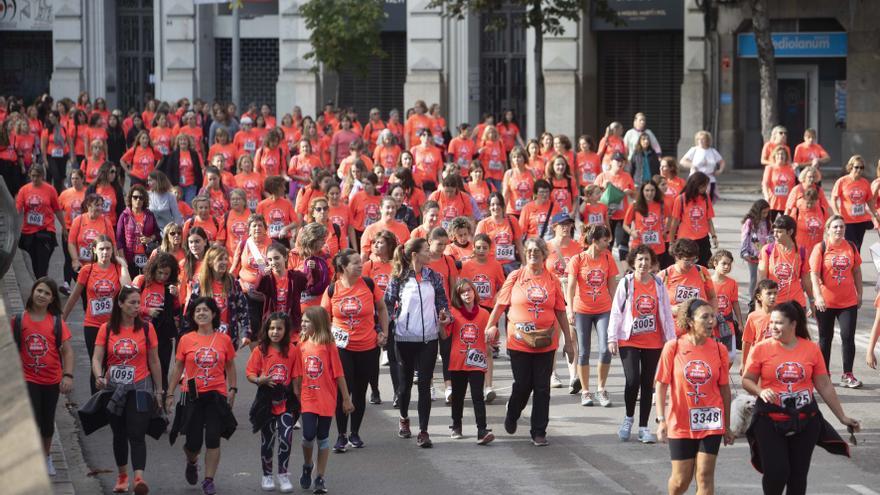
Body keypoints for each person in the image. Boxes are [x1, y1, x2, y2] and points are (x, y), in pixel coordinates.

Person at [742, 301, 860, 495]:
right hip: (769, 420)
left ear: (793, 324)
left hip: (805, 420)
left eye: (778, 323)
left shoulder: (811, 349)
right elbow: (747, 380)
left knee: (798, 477)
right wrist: (760, 391)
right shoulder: (761, 349)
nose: (772, 327)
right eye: (771, 323)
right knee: (777, 472)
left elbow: (824, 384)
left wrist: (842, 417)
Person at [487, 237, 573, 446]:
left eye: (537, 250)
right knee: (523, 385)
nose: (533, 253)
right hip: (519, 341)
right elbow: (500, 304)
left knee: (542, 388)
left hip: (546, 342)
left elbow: (561, 312)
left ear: (544, 254)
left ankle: (538, 431)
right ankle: (513, 412)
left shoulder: (552, 280)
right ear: (525, 253)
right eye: (530, 250)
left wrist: (569, 342)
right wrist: (490, 326)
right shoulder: (516, 276)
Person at [656, 298, 733, 495]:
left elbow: (724, 389)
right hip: (680, 421)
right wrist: (661, 420)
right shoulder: (673, 347)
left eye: (712, 317)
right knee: (681, 480)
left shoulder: (719, 349)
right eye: (704, 317)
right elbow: (661, 384)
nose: (710, 322)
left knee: (705, 475)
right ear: (690, 321)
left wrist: (727, 425)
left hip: (710, 421)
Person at [90, 286, 163, 494]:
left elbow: (155, 361)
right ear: (120, 304)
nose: (136, 307)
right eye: (131, 302)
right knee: (119, 433)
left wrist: (159, 391)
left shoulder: (147, 328)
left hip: (140, 387)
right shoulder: (106, 328)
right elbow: (96, 357)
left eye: (138, 303)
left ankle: (139, 478)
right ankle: (122, 476)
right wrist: (99, 376)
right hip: (114, 388)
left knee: (136, 432)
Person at [166, 297, 238, 495]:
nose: (201, 313)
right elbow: (178, 367)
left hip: (216, 394)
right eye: (197, 310)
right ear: (193, 315)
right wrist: (170, 393)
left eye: (206, 310)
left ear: (214, 314)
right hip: (192, 394)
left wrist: (233, 389)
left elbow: (230, 366)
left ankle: (208, 480)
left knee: (213, 438)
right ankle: (192, 461)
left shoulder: (223, 339)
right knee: (193, 443)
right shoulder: (186, 339)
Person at [383, 238, 451, 447]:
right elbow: (386, 304)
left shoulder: (434, 276)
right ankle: (404, 419)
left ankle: (423, 431)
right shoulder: (399, 277)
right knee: (404, 387)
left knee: (424, 384)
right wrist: (393, 324)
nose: (430, 253)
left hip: (429, 338)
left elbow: (442, 302)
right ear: (414, 254)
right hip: (404, 338)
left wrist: (445, 315)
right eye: (426, 250)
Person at [321, 249, 389, 452]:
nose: (361, 266)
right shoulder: (333, 289)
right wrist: (327, 341)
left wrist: (384, 332)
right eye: (355, 263)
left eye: (361, 262)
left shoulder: (368, 284)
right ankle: (341, 435)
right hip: (342, 349)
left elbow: (382, 308)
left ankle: (355, 433)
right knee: (344, 392)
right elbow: (324, 317)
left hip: (368, 347)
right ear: (343, 267)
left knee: (360, 391)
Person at [608, 245, 676, 443]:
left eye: (647, 259)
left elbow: (665, 313)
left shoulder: (658, 284)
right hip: (628, 339)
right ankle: (628, 419)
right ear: (633, 262)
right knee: (632, 381)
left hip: (653, 341)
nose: (643, 263)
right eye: (639, 260)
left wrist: (671, 341)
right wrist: (612, 338)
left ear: (652, 263)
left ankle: (644, 427)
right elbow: (616, 312)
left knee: (648, 384)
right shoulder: (626, 283)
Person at [15, 278, 74, 476]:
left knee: (47, 421)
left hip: (51, 380)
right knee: (33, 419)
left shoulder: (56, 322)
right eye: (39, 291)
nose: (42, 295)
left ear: (52, 299)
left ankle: (46, 457)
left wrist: (68, 375)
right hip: (27, 378)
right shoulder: (19, 320)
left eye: (47, 293)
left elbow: (67, 352)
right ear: (32, 292)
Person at [295, 306, 354, 494]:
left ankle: (320, 476)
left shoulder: (329, 346)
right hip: (307, 398)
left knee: (322, 438)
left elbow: (339, 374)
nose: (303, 324)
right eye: (302, 320)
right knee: (308, 435)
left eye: (307, 321)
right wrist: (295, 395)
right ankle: (307, 464)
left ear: (318, 323)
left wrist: (346, 399)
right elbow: (296, 374)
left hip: (327, 398)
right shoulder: (300, 345)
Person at [62, 235, 131, 394]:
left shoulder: (116, 268)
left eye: (108, 248)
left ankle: (110, 400)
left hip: (113, 325)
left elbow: (128, 288)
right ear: (94, 250)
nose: (105, 252)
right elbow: (74, 296)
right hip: (92, 325)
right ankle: (96, 403)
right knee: (97, 364)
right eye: (101, 249)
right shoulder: (88, 270)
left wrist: (123, 264)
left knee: (111, 363)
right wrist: (62, 319)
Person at [246, 313, 301, 493]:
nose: (275, 332)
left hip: (286, 401)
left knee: (286, 438)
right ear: (266, 330)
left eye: (279, 328)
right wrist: (258, 380)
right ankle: (267, 475)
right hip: (266, 401)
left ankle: (283, 475)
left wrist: (298, 397)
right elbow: (250, 373)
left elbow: (296, 375)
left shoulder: (293, 350)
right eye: (271, 328)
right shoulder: (260, 350)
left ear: (286, 331)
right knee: (267, 441)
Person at [566, 225, 618, 407]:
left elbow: (612, 287)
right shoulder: (578, 259)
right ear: (595, 241)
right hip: (582, 310)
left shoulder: (608, 258)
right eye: (605, 240)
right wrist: (570, 310)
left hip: (604, 309)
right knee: (585, 351)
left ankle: (601, 389)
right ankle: (586, 391)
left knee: (605, 349)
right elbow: (570, 288)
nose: (608, 243)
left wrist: (616, 312)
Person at [810, 215, 863, 388]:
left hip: (848, 301)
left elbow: (856, 272)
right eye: (835, 227)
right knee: (825, 338)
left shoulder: (851, 247)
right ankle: (824, 375)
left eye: (841, 226)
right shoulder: (821, 247)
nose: (839, 230)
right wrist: (817, 296)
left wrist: (859, 294)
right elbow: (814, 274)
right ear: (828, 229)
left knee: (848, 337)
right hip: (825, 302)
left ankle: (848, 374)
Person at [444, 279, 495, 444]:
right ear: (458, 296)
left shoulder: (484, 314)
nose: (467, 293)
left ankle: (482, 430)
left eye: (469, 290)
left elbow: (492, 335)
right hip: (458, 360)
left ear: (474, 292)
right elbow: (444, 336)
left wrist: (493, 332)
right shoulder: (453, 313)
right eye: (463, 291)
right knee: (458, 396)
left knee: (477, 396)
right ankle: (456, 425)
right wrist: (441, 324)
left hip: (476, 361)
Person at [132, 252, 180, 391]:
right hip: (140, 332)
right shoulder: (141, 281)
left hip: (162, 335)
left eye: (166, 274)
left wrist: (176, 296)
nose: (162, 277)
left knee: (162, 369)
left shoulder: (169, 286)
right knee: (142, 368)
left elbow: (176, 312)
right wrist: (147, 310)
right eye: (160, 273)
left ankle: (160, 401)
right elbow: (128, 303)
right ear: (153, 269)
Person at [185, 246, 250, 348]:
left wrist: (245, 332)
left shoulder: (233, 283)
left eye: (225, 259)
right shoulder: (201, 284)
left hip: (228, 336)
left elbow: (243, 309)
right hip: (204, 334)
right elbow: (191, 311)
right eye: (220, 259)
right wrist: (189, 335)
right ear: (210, 262)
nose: (224, 262)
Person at [16, 164, 65, 279]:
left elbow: (57, 210)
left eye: (38, 176)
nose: (35, 179)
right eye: (33, 176)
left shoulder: (50, 190)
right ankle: (41, 284)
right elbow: (17, 209)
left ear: (42, 176)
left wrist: (64, 227)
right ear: (29, 176)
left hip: (46, 231)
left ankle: (41, 286)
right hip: (29, 232)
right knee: (35, 264)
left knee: (42, 264)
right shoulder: (24, 190)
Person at [661, 239, 717, 336]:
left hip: (699, 332)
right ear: (677, 257)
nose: (691, 264)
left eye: (694, 259)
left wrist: (712, 316)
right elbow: (656, 304)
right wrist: (670, 309)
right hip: (673, 332)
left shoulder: (702, 272)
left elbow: (712, 297)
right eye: (687, 260)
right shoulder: (664, 275)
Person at [757, 215, 812, 309]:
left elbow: (806, 279)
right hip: (773, 303)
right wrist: (759, 304)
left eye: (779, 232)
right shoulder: (767, 250)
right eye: (774, 231)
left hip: (796, 303)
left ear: (790, 232)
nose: (775, 235)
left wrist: (812, 300)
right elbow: (762, 279)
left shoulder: (801, 251)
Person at [831, 155, 880, 250]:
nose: (859, 170)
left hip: (861, 220)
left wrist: (875, 214)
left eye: (861, 168)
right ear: (850, 167)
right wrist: (837, 214)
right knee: (852, 245)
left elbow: (869, 200)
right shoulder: (842, 181)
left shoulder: (865, 182)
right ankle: (853, 264)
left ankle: (854, 264)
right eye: (856, 167)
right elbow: (833, 199)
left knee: (858, 246)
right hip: (847, 220)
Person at [669, 172, 718, 267]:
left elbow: (709, 220)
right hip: (685, 241)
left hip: (703, 239)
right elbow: (674, 223)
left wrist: (714, 236)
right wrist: (671, 242)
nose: (706, 188)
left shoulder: (706, 197)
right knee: (685, 267)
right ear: (696, 185)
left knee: (703, 268)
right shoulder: (681, 199)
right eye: (703, 186)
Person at [595, 152, 636, 260]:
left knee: (623, 243)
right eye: (617, 160)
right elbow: (592, 194)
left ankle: (624, 269)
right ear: (611, 162)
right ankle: (606, 266)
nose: (620, 163)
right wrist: (602, 188)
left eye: (622, 161)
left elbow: (635, 194)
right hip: (606, 216)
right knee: (606, 243)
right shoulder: (603, 176)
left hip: (622, 216)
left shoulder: (627, 176)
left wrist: (629, 192)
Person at [476, 192, 524, 275]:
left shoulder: (512, 220)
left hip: (510, 265)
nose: (496, 207)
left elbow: (519, 244)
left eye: (498, 204)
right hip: (491, 265)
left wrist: (525, 263)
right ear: (489, 207)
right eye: (493, 204)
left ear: (503, 206)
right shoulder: (483, 224)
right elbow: (477, 248)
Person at [116, 184, 159, 276]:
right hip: (130, 257)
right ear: (130, 198)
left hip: (147, 256)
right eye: (135, 197)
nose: (138, 200)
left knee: (146, 283)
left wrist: (149, 239)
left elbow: (157, 233)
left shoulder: (149, 215)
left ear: (144, 200)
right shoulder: (124, 216)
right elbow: (119, 240)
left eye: (141, 198)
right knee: (132, 285)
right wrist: (123, 260)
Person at [68, 193, 116, 275]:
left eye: (101, 205)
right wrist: (75, 260)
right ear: (88, 206)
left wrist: (114, 262)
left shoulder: (106, 221)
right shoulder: (78, 220)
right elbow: (71, 243)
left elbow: (113, 244)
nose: (100, 208)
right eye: (97, 205)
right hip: (81, 266)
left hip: (100, 265)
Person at [623, 180, 667, 265]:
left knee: (656, 273)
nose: (650, 193)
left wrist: (665, 230)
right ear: (642, 191)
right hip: (639, 245)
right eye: (647, 190)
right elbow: (625, 225)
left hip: (657, 246)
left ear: (656, 191)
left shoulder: (661, 205)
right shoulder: (635, 205)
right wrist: (632, 232)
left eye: (652, 190)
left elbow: (670, 217)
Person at [740, 279, 779, 374]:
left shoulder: (782, 315)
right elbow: (747, 341)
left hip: (777, 358)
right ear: (759, 296)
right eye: (769, 293)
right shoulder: (753, 317)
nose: (773, 296)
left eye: (775, 293)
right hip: (759, 359)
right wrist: (743, 363)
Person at [59, 168, 88, 292]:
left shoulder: (87, 193)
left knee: (79, 258)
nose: (74, 181)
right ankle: (66, 283)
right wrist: (63, 227)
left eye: (77, 178)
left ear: (82, 179)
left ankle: (79, 283)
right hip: (68, 229)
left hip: (82, 231)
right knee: (68, 257)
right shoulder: (65, 194)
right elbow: (58, 209)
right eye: (72, 178)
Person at [710, 250, 742, 359]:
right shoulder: (708, 282)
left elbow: (735, 303)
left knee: (730, 356)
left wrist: (740, 323)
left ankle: (724, 373)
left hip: (728, 324)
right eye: (723, 263)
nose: (726, 266)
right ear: (715, 263)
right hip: (711, 324)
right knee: (713, 355)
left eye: (729, 264)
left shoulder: (732, 283)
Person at [740, 199, 771, 309]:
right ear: (757, 211)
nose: (765, 215)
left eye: (767, 212)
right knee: (754, 277)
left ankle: (762, 298)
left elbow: (770, 235)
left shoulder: (767, 222)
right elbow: (745, 237)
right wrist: (744, 252)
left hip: (765, 254)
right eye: (763, 213)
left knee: (763, 277)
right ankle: (752, 300)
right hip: (752, 255)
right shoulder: (750, 222)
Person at [680, 131, 725, 200]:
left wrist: (720, 170)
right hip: (696, 179)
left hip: (709, 179)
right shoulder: (694, 150)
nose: (700, 141)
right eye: (698, 139)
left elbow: (722, 162)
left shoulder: (712, 151)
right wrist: (692, 165)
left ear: (707, 140)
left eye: (703, 139)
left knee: (708, 199)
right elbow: (682, 161)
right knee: (694, 198)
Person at [159, 134, 203, 204]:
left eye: (185, 140)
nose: (183, 142)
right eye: (181, 140)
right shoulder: (173, 154)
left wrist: (198, 184)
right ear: (178, 142)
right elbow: (169, 171)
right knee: (178, 205)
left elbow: (198, 170)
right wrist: (172, 186)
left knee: (189, 205)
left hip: (191, 185)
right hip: (178, 185)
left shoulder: (194, 154)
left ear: (188, 142)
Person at [789, 187, 827, 257]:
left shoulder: (822, 210)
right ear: (803, 199)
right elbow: (789, 229)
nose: (809, 205)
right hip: (801, 250)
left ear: (817, 201)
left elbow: (828, 227)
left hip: (817, 250)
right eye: (807, 203)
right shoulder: (797, 211)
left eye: (812, 203)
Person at [762, 146, 797, 221]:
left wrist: (796, 170)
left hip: (787, 203)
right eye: (778, 154)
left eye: (782, 154)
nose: (780, 156)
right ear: (774, 156)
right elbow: (765, 184)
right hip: (773, 202)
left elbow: (795, 185)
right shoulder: (770, 168)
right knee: (770, 225)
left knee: (786, 225)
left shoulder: (791, 168)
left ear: (786, 157)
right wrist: (766, 195)